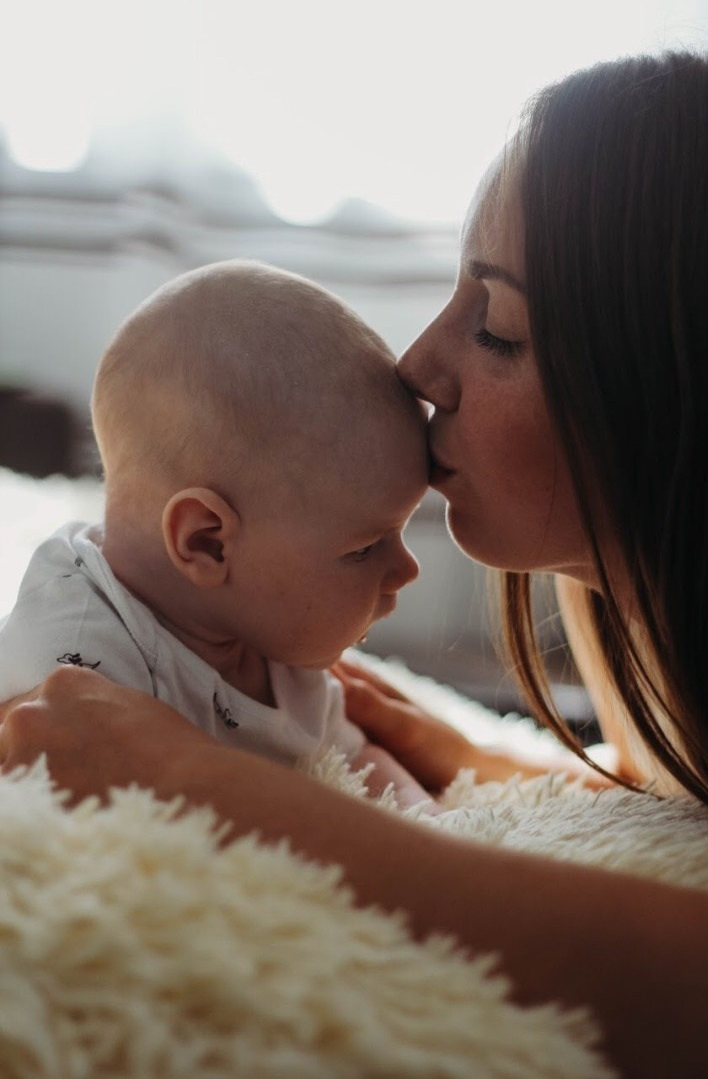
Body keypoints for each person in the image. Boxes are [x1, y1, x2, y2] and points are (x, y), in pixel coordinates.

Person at [1, 49, 708, 1078]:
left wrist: (205, 784)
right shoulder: (667, 653)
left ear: (682, 391)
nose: (419, 363)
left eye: (497, 328)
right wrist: (491, 764)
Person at [0, 260, 438, 807]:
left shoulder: (272, 634)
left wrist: (425, 818)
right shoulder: (79, 661)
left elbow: (355, 757)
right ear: (206, 542)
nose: (407, 570)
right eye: (366, 547)